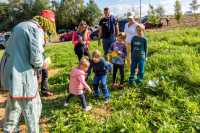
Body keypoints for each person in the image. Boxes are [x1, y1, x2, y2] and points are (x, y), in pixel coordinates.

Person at [0, 10, 56, 133]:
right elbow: (36, 60)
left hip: (11, 78)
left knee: (12, 116)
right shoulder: (36, 29)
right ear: (47, 22)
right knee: (32, 115)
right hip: (24, 80)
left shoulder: (20, 25)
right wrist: (44, 63)